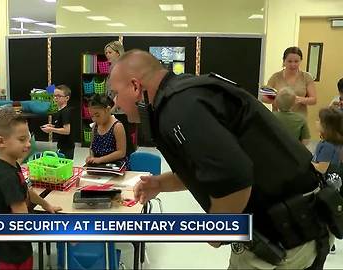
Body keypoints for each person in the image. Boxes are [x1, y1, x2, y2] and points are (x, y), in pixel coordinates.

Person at [109, 49, 332, 269]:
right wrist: (160, 183)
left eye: (116, 93)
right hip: (296, 227)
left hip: (287, 238)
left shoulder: (180, 109)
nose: (116, 103)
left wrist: (216, 228)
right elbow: (208, 167)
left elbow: (234, 179)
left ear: (135, 86)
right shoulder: (186, 95)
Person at [0, 109, 61, 269]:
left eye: (28, 138)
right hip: (11, 251)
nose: (28, 144)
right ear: (1, 142)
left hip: (20, 245)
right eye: (22, 139)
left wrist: (46, 205)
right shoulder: (6, 176)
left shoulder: (13, 165)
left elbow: (26, 191)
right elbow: (22, 216)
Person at [312, 107, 343, 254]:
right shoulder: (333, 143)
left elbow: (322, 168)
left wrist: (307, 163)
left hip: (327, 185)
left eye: (319, 120)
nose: (316, 122)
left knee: (324, 214)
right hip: (334, 185)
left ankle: (328, 241)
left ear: (326, 126)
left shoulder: (327, 146)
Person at [263, 46, 317, 117]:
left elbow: (313, 99)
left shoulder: (306, 77)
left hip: (298, 119)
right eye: (289, 61)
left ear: (300, 61)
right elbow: (264, 98)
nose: (293, 64)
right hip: (279, 118)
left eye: (296, 61)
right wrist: (279, 100)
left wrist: (299, 99)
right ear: (284, 61)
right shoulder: (275, 77)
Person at [85, 94, 128, 165]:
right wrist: (91, 157)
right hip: (99, 164)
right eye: (92, 116)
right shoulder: (95, 126)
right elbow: (92, 147)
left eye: (97, 115)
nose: (94, 119)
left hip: (114, 165)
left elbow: (121, 152)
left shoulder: (117, 126)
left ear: (108, 110)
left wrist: (100, 159)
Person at [41, 85, 74, 159]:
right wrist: (50, 126)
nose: (55, 98)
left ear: (67, 98)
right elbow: (60, 125)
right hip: (61, 144)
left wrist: (51, 129)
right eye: (54, 95)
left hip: (67, 146)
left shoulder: (66, 112)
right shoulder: (59, 111)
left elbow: (67, 131)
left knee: (65, 166)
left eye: (59, 96)